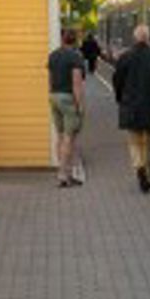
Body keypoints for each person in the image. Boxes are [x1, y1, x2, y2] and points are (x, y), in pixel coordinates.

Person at [113, 24, 150, 193]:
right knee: (148, 141)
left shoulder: (125, 57)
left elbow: (117, 80)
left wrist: (120, 98)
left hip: (130, 105)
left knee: (134, 141)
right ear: (148, 38)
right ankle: (146, 171)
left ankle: (138, 167)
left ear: (134, 38)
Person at [47, 28, 88, 187]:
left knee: (60, 135)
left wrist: (51, 96)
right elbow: (76, 83)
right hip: (68, 98)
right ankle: (64, 175)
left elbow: (50, 80)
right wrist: (80, 106)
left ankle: (63, 172)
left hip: (54, 96)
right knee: (69, 138)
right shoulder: (75, 58)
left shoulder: (53, 55)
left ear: (62, 39)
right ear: (76, 40)